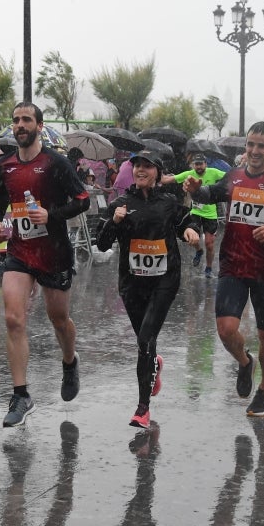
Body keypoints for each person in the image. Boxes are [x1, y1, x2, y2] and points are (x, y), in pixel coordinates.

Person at [184, 121, 264, 417]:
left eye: (261, 146)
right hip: (233, 265)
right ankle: (244, 362)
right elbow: (211, 195)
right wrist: (195, 189)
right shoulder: (234, 175)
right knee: (226, 330)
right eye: (251, 144)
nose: (254, 151)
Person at [0, 102, 90, 427]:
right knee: (13, 318)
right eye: (16, 120)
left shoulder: (56, 163)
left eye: (26, 120)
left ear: (39, 126)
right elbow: (3, 205)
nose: (20, 125)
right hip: (20, 251)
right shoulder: (3, 166)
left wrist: (52, 215)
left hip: (54, 251)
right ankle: (21, 394)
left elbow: (83, 200)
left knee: (58, 319)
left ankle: (69, 360)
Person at [97, 149, 200, 428]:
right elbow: (102, 243)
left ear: (158, 172)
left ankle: (143, 408)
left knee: (144, 340)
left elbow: (186, 221)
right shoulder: (120, 203)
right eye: (137, 166)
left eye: (147, 166)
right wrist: (114, 222)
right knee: (146, 341)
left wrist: (189, 231)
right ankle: (154, 363)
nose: (141, 170)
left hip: (164, 281)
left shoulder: (169, 201)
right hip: (131, 284)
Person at [160, 153, 225, 278]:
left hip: (211, 214)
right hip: (195, 212)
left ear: (205, 164)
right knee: (192, 238)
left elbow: (231, 177)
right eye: (196, 164)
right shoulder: (188, 174)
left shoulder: (214, 172)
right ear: (193, 165)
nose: (199, 167)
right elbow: (166, 180)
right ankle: (198, 251)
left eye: (201, 164)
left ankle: (209, 268)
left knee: (210, 244)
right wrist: (158, 170)